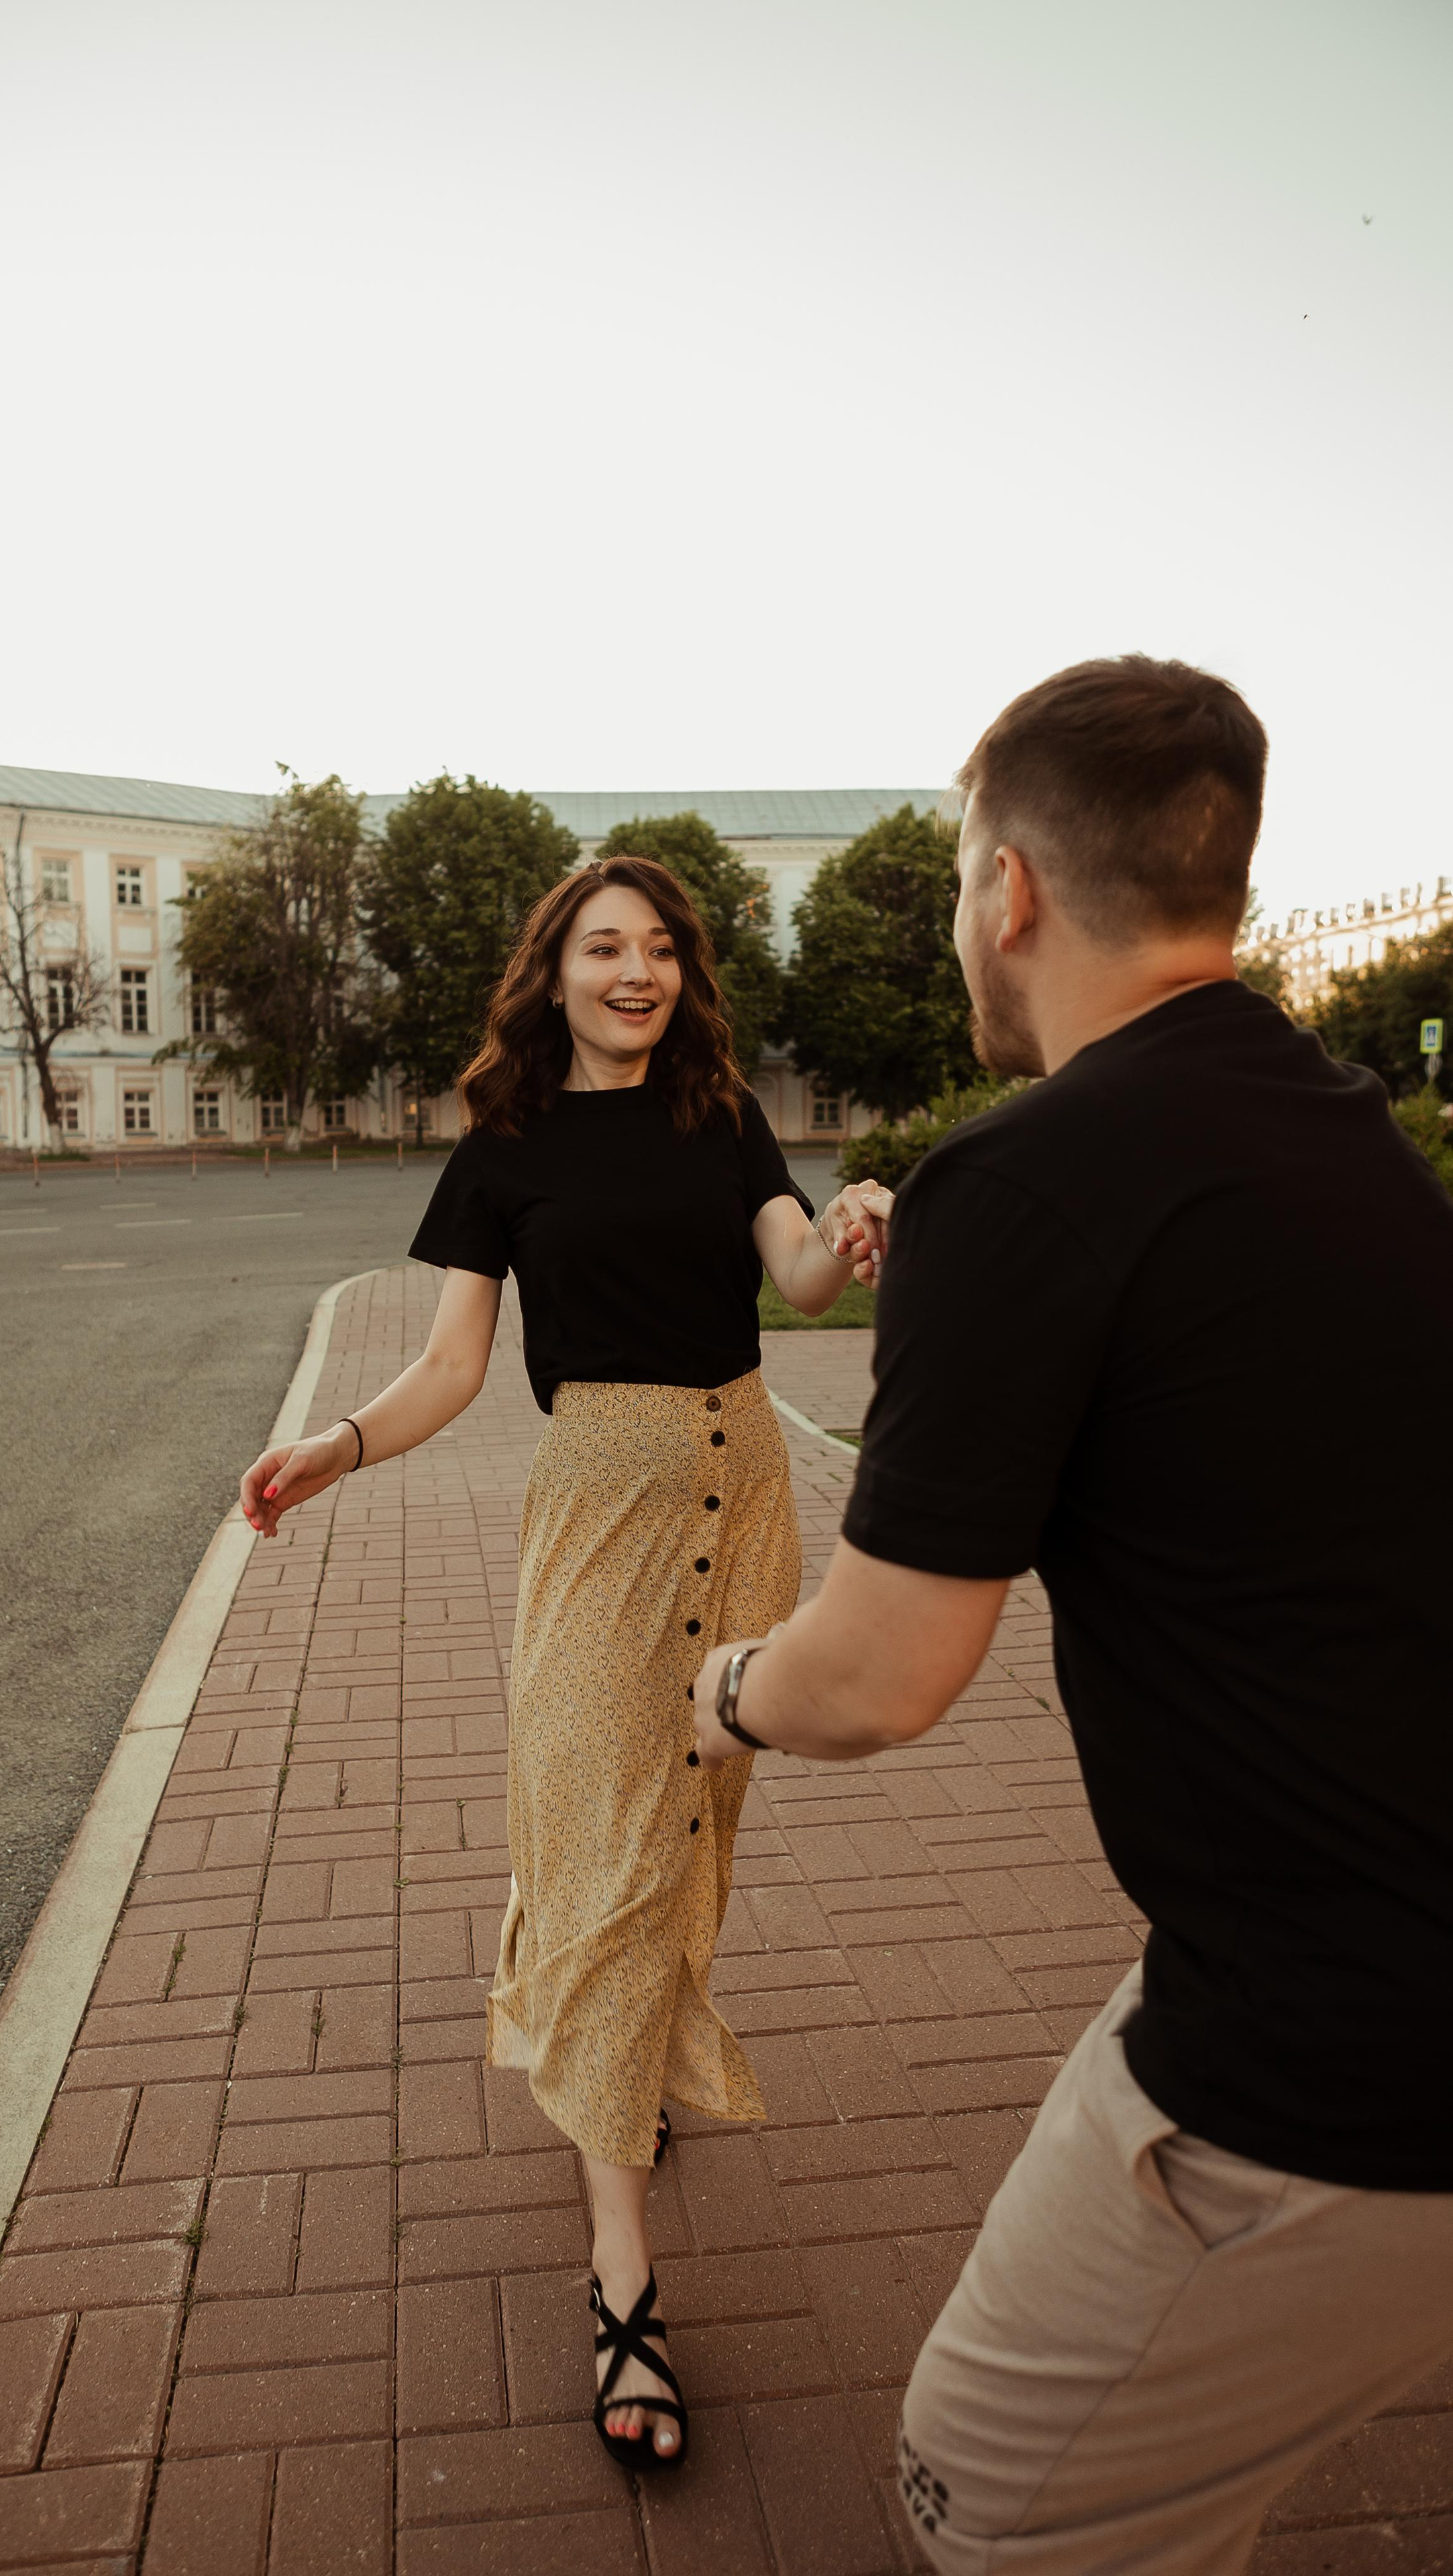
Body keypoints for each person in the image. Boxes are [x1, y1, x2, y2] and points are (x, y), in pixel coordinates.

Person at [692, 655, 1453, 2573]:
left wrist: (727, 1693)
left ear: (1009, 890)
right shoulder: (1351, 1135)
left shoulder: (1025, 1181)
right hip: (1341, 1947)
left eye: (959, 879)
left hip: (1331, 2056)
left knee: (990, 2503)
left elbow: (881, 1678)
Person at [240, 853, 883, 2470]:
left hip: (746, 1499)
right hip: (598, 1512)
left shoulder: (721, 1116)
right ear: (555, 972)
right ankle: (622, 2284)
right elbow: (455, 1366)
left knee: (687, 1834)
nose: (636, 972)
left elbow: (795, 1280)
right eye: (605, 947)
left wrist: (859, 1215)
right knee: (603, 1839)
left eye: (661, 949)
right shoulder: (503, 1148)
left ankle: (615, 2046)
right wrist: (338, 1442)